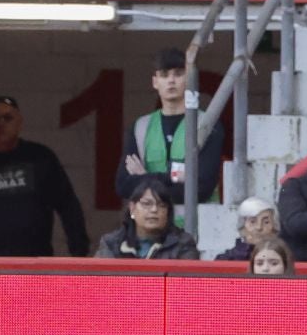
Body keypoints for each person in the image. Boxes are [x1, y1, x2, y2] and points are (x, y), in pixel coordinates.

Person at [117, 48, 223, 211]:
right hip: (152, 229)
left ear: (189, 79)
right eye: (164, 75)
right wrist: (180, 177)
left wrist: (145, 178)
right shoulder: (140, 127)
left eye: (179, 73)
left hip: (198, 230)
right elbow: (123, 185)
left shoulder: (207, 125)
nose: (171, 80)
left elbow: (201, 189)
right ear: (155, 82)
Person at [0, 96, 89, 257]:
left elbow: (68, 205)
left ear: (19, 122)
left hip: (35, 263)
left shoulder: (40, 157)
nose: (1, 124)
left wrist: (79, 251)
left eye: (8, 118)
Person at [95, 179, 200, 260]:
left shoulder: (183, 244)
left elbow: (186, 284)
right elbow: (100, 282)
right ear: (132, 208)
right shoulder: (111, 243)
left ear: (168, 212)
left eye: (161, 205)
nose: (154, 210)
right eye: (147, 204)